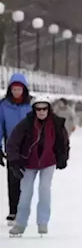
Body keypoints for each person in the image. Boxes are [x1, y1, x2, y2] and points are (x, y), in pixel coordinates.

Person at [6, 97, 69, 236]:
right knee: (26, 193)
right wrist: (14, 162)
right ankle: (20, 223)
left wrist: (63, 157)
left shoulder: (57, 123)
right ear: (34, 110)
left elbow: (63, 140)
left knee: (44, 189)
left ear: (49, 109)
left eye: (44, 108)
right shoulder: (26, 123)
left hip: (48, 161)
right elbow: (13, 142)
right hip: (29, 163)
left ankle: (43, 222)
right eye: (38, 109)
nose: (41, 112)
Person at [0, 73, 34, 226]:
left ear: (24, 90)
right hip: (11, 146)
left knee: (26, 180)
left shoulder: (31, 105)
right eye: (14, 89)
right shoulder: (3, 105)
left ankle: (23, 211)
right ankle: (13, 211)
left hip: (28, 146)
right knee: (13, 179)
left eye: (19, 89)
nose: (17, 92)